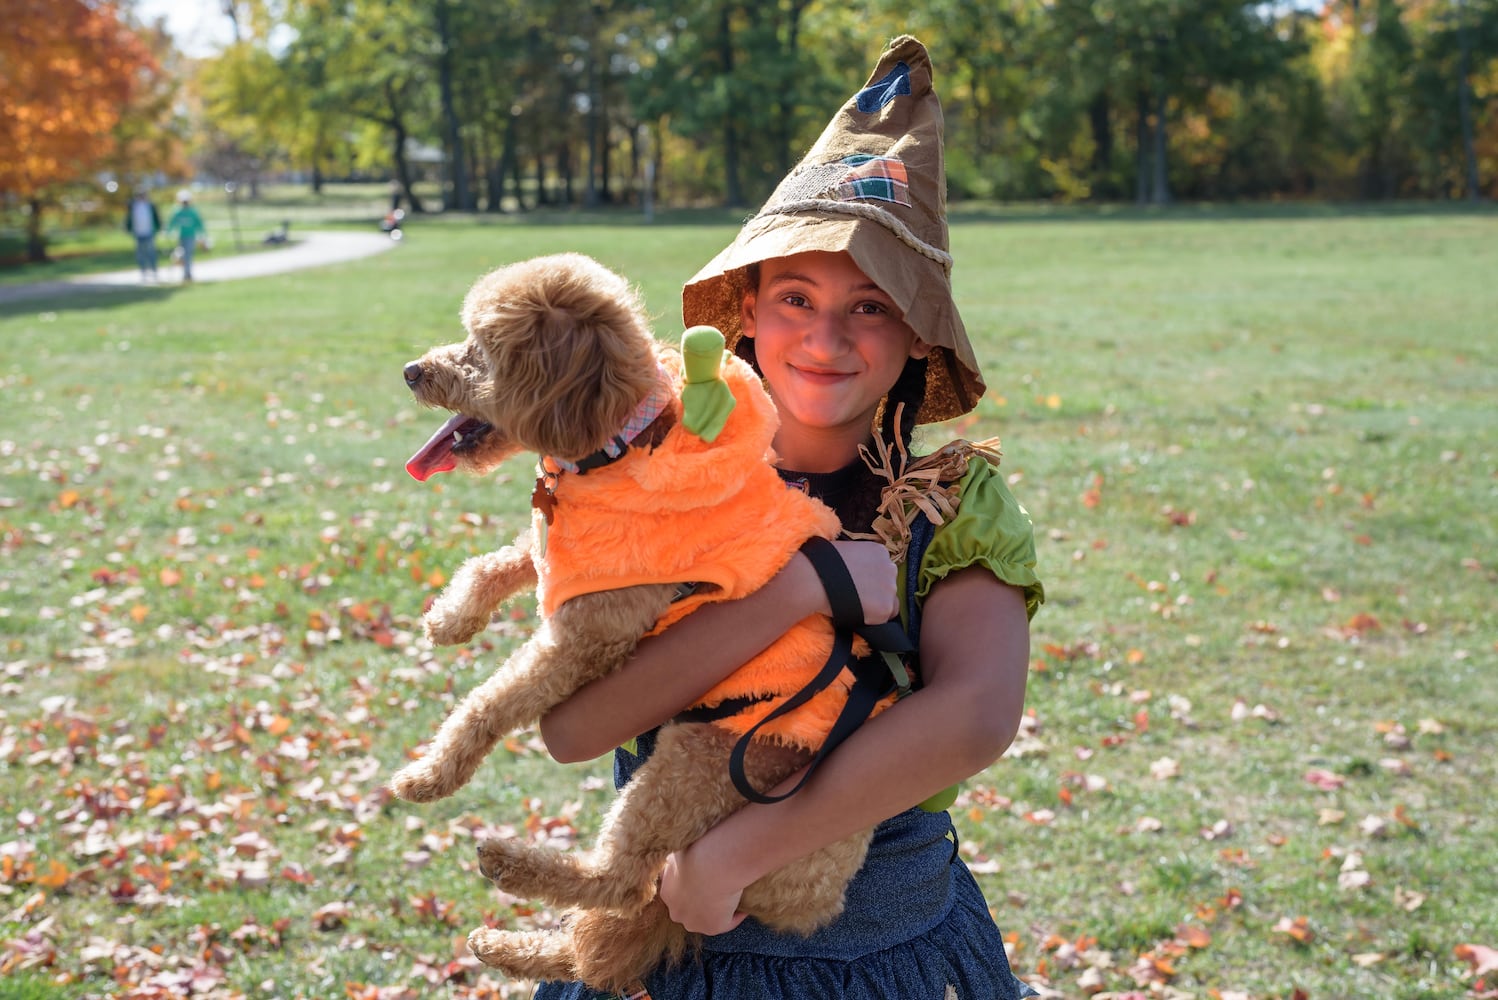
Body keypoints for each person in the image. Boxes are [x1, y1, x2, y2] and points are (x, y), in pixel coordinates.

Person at [529, 35, 1043, 1000]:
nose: (826, 336)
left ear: (917, 336)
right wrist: (801, 587)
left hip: (880, 954)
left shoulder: (950, 501)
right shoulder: (661, 482)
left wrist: (738, 855)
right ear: (747, 315)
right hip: (658, 956)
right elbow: (572, 727)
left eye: (871, 307)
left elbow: (974, 715)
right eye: (797, 297)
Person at [166, 189, 208, 282]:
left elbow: (199, 224)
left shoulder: (192, 212)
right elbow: (172, 223)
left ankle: (187, 274)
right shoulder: (178, 211)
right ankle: (185, 272)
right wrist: (168, 231)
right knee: (181, 255)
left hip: (191, 236)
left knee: (188, 255)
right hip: (181, 236)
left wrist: (203, 235)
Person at [123, 190, 160, 282]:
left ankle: (154, 270)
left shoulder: (150, 206)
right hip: (138, 233)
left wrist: (158, 227)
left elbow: (156, 218)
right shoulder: (134, 206)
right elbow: (129, 218)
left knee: (151, 252)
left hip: (149, 232)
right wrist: (128, 228)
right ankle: (143, 271)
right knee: (140, 253)